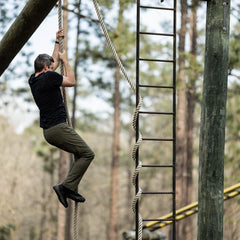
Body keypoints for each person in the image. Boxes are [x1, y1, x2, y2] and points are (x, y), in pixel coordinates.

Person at [28, 29, 95, 208]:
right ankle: (65, 187)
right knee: (88, 153)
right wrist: (66, 60)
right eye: (50, 67)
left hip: (49, 131)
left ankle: (68, 187)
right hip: (58, 128)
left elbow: (52, 62)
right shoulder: (49, 77)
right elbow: (71, 81)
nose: (53, 67)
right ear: (45, 68)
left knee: (81, 153)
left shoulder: (33, 79)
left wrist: (57, 41)